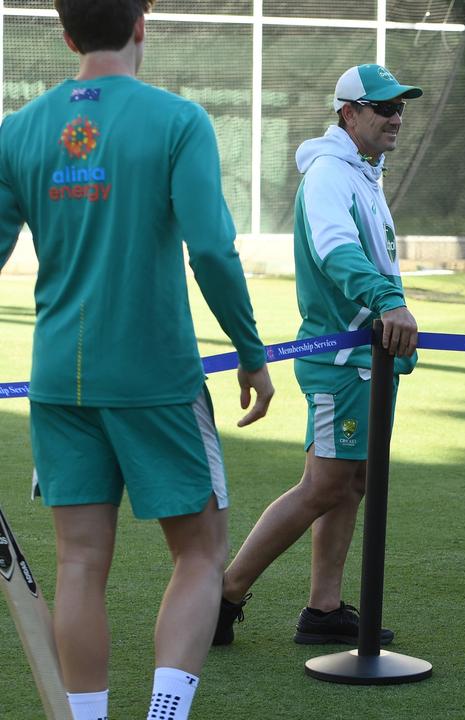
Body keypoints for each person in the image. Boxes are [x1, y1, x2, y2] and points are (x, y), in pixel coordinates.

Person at [0, 1, 275, 718]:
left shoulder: (19, 130)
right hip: (156, 376)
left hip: (59, 378)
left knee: (80, 563)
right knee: (201, 552)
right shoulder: (179, 121)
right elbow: (211, 249)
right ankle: (164, 715)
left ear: (64, 34)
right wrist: (251, 353)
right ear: (142, 24)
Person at [214, 64, 421, 647]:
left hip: (364, 357)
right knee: (326, 484)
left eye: (400, 107)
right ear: (348, 114)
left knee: (349, 481)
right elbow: (335, 251)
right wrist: (387, 300)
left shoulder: (358, 170)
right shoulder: (332, 172)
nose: (396, 117)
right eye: (383, 107)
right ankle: (224, 594)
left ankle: (323, 609)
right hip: (343, 358)